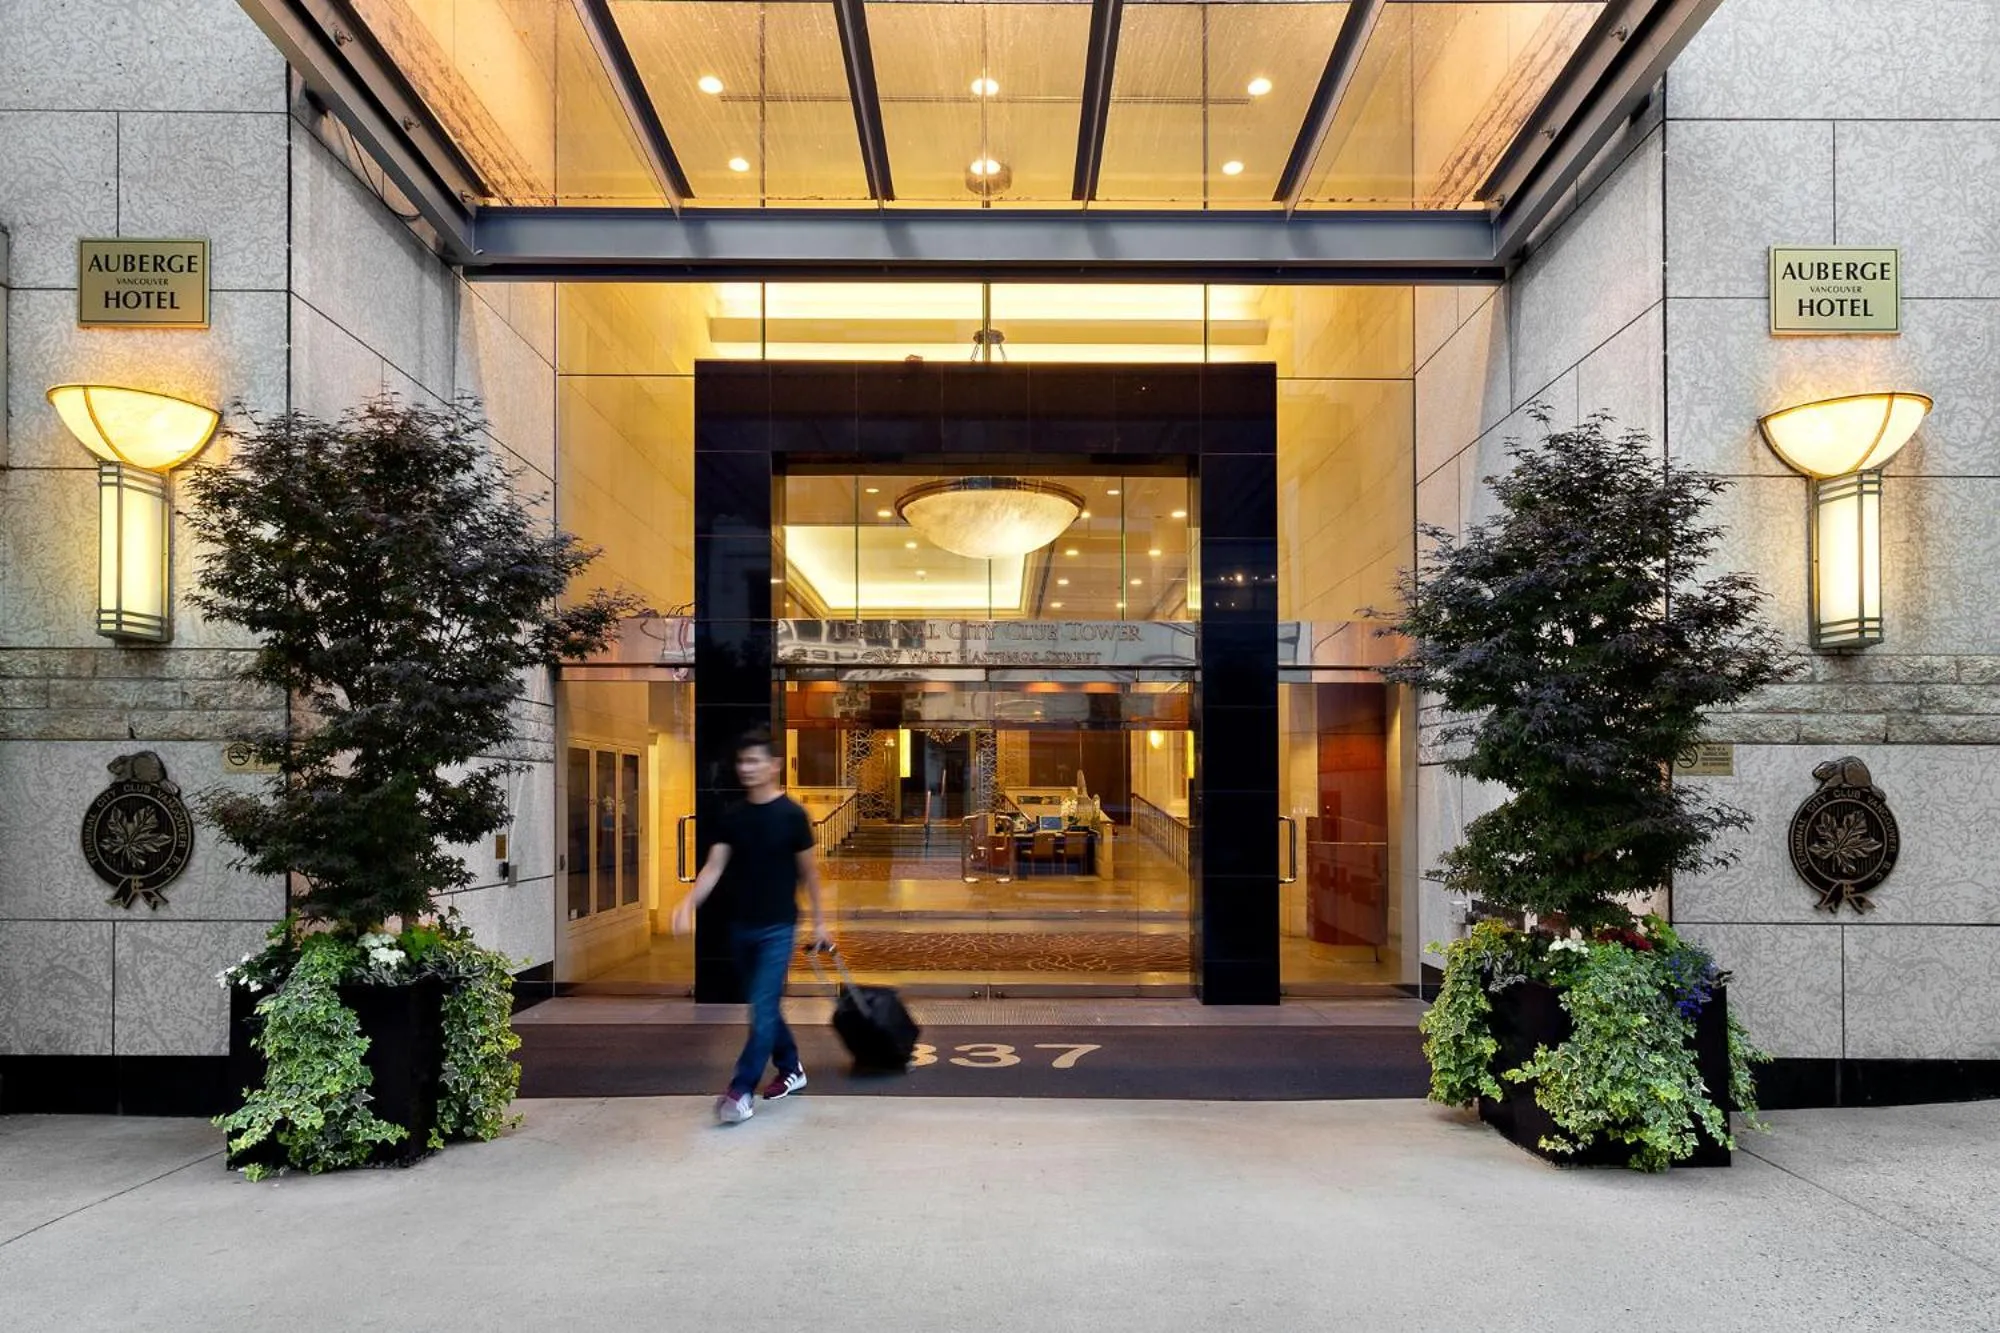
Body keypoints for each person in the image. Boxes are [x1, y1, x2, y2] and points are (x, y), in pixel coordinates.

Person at [671, 726, 834, 1125]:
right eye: (742, 761)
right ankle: (792, 1068)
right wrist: (688, 902)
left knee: (761, 1008)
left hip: (778, 927)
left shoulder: (794, 816)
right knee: (765, 1007)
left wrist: (821, 923)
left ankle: (740, 1089)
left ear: (774, 765)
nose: (746, 768)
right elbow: (714, 865)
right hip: (740, 926)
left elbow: (810, 875)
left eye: (754, 760)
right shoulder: (734, 816)